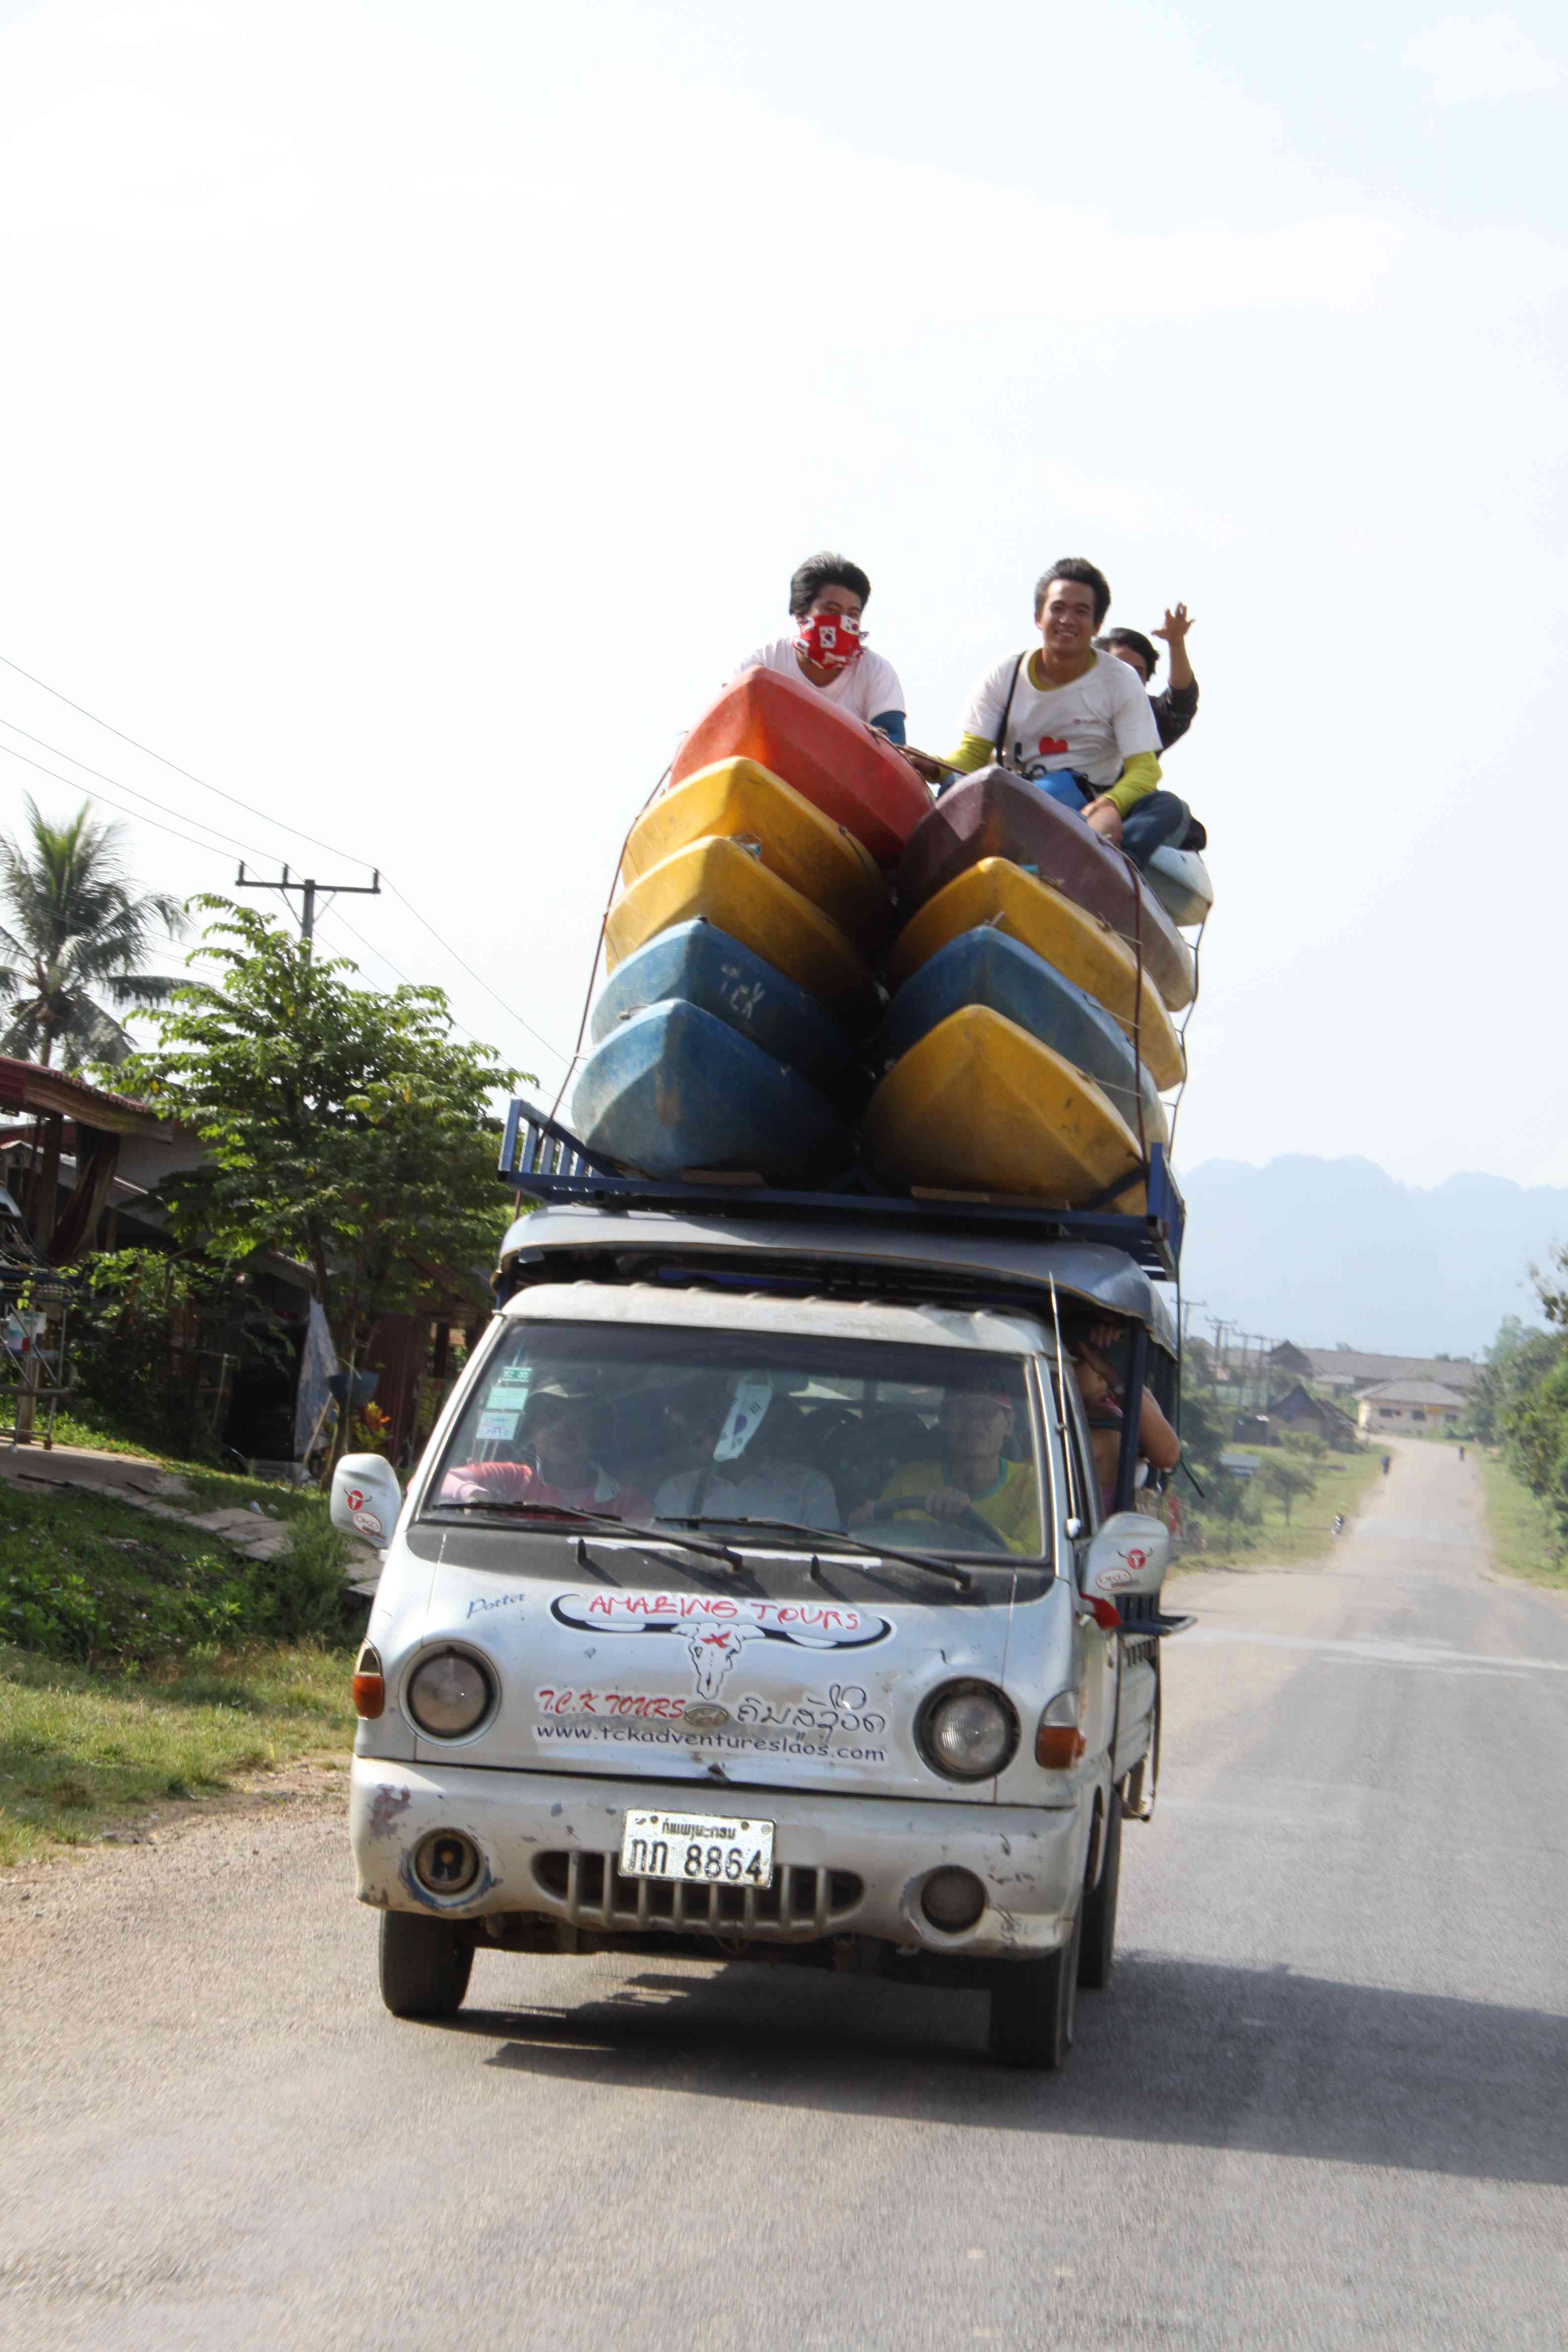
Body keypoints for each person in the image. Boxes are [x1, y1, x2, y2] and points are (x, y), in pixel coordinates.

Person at [934, 558, 1190, 868]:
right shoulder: (1005, 675)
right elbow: (972, 755)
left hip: (1087, 807)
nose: (1067, 620)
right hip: (1014, 796)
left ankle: (1113, 867)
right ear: (1038, 617)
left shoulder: (1121, 680)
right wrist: (930, 767)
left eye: (1081, 611)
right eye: (1057, 609)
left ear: (1096, 625)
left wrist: (1109, 804)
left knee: (1167, 807)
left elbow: (1146, 770)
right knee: (954, 787)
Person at [849, 1370, 1042, 1554]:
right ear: (944, 1421)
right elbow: (882, 1542)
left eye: (987, 1413)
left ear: (1009, 1424)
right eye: (962, 1412)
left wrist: (968, 1524)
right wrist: (864, 1524)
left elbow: (1034, 1561)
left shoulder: (1033, 1485)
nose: (974, 1424)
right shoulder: (908, 1481)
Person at [733, 551, 908, 745]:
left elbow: (894, 744)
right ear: (800, 613)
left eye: (853, 615)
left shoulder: (875, 671)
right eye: (832, 611)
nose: (843, 623)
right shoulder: (762, 666)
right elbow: (727, 725)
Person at [439, 1381, 649, 1519]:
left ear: (595, 1434)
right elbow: (437, 1481)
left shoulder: (627, 1502)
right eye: (550, 1420)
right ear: (532, 1433)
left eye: (577, 1420)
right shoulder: (513, 1479)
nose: (563, 1431)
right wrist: (473, 1495)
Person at [651, 1380, 842, 1531]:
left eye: (755, 1410)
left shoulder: (809, 1487)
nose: (742, 1422)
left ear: (771, 1419)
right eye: (731, 1410)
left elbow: (827, 1559)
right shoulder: (677, 1492)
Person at [1070, 1331, 1181, 1513]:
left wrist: (1115, 1375)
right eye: (1085, 1357)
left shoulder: (1118, 1405)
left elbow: (1168, 1454)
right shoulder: (1083, 1427)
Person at [1096, 605, 1200, 751]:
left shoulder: (1152, 718)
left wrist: (1176, 644)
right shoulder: (1072, 704)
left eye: (1137, 672)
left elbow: (1182, 700)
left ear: (1146, 680)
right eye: (1120, 669)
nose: (1128, 677)